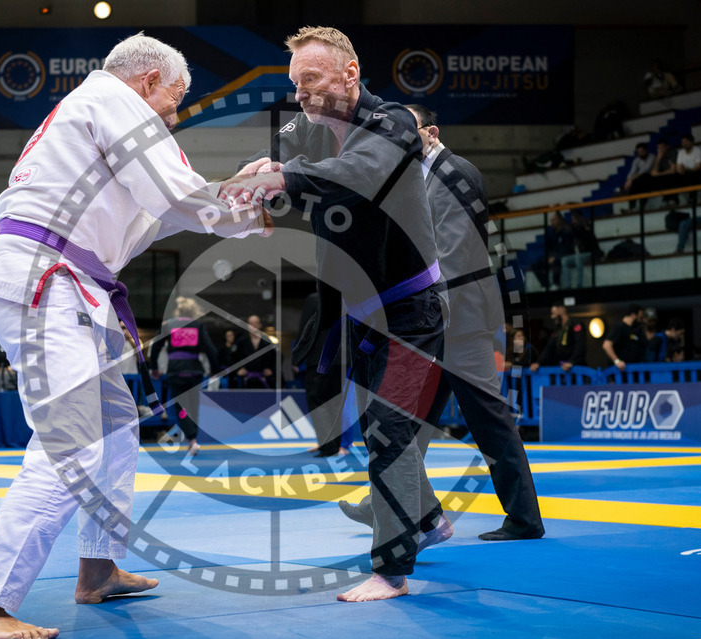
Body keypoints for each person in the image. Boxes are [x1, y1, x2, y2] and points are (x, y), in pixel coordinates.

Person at [0, 33, 272, 639]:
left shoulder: (97, 123)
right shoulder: (110, 99)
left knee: (116, 426)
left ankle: (98, 567)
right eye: (173, 103)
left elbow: (161, 215)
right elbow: (179, 194)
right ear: (147, 82)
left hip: (67, 284)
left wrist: (244, 198)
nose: (173, 119)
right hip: (46, 283)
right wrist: (246, 196)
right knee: (71, 446)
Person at [221, 26, 462, 602]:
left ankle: (392, 570)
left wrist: (281, 176)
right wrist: (263, 175)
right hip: (358, 310)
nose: (300, 93)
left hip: (412, 308)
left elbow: (356, 177)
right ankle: (427, 520)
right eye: (294, 83)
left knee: (391, 429)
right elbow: (286, 165)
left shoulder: (394, 124)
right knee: (380, 429)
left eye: (311, 80)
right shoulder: (304, 125)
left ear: (350, 75)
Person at [338, 102, 544, 552]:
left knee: (487, 418)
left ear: (430, 133)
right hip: (435, 315)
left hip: (458, 317)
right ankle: (390, 505)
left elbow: (453, 252)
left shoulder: (454, 171)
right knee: (404, 424)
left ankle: (525, 518)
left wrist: (415, 309)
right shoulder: (413, 180)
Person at [149, 296, 218, 457]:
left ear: (178, 311)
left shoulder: (169, 325)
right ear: (193, 311)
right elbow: (211, 350)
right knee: (193, 407)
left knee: (181, 408)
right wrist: (214, 369)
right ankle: (193, 439)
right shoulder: (198, 326)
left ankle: (191, 439)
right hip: (194, 371)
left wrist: (154, 368)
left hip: (176, 371)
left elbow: (156, 347)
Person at [293, 290, 346, 457]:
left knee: (317, 399)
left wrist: (298, 355)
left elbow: (306, 329)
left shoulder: (314, 299)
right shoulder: (346, 300)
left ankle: (328, 445)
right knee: (334, 402)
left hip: (319, 357)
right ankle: (334, 445)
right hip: (341, 358)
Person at [531, 303, 587, 372]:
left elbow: (580, 345)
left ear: (561, 311)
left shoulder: (575, 323)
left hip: (576, 367)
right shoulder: (557, 329)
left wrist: (571, 362)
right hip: (562, 367)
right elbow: (549, 347)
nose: (552, 317)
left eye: (553, 313)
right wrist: (538, 362)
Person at [560, 212, 602, 289]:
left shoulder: (585, 228)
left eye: (574, 219)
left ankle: (579, 285)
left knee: (578, 258)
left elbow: (590, 241)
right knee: (564, 260)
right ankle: (567, 286)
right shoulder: (574, 230)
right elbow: (568, 227)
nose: (573, 221)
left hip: (590, 253)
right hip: (579, 254)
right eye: (572, 220)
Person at [233, 314, 276, 387]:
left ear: (260, 325)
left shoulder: (267, 341)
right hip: (245, 379)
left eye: (256, 323)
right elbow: (233, 357)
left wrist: (272, 370)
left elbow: (277, 358)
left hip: (264, 379)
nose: (254, 325)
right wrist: (238, 370)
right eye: (251, 323)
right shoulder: (241, 341)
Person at [603, 304, 647, 370]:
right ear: (633, 315)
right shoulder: (619, 327)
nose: (640, 320)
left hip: (633, 371)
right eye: (639, 318)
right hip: (619, 372)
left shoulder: (636, 330)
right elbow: (606, 345)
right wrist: (617, 361)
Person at [620, 143, 655, 212]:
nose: (640, 154)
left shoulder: (652, 157)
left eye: (642, 151)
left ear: (646, 150)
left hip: (651, 179)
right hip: (640, 180)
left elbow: (645, 170)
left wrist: (631, 180)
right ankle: (632, 207)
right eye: (639, 152)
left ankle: (642, 206)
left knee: (643, 179)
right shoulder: (636, 160)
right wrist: (628, 181)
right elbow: (632, 171)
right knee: (634, 183)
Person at [649, 138, 680, 207]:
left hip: (676, 175)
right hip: (664, 176)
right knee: (650, 178)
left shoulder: (673, 153)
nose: (660, 149)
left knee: (670, 177)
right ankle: (665, 199)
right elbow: (653, 172)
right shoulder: (658, 156)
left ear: (667, 146)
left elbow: (673, 170)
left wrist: (659, 174)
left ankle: (673, 199)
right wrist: (658, 158)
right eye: (658, 148)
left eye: (662, 147)